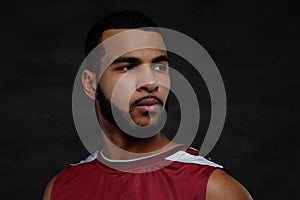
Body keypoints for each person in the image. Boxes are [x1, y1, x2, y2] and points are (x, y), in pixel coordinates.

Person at [43, 10, 252, 200]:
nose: (150, 82)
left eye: (159, 66)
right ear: (90, 84)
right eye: (127, 67)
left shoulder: (212, 188)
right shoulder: (60, 189)